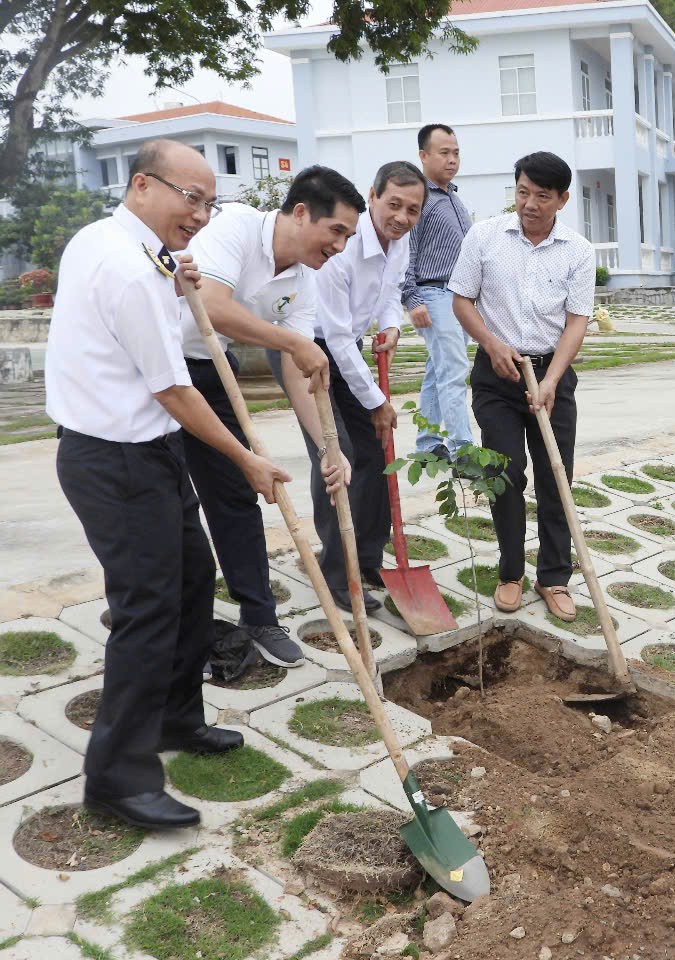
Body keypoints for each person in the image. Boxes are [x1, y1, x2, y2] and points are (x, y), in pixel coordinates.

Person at [46, 139, 288, 829]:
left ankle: (177, 719)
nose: (202, 215)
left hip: (144, 456)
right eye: (192, 197)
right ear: (145, 184)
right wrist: (246, 460)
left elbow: (151, 301)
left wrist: (172, 273)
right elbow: (174, 390)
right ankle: (117, 778)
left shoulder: (114, 244)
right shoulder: (125, 266)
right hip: (116, 460)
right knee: (147, 611)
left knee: (189, 582)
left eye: (210, 203)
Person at [179, 166, 365, 635]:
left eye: (349, 236)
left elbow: (299, 372)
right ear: (301, 213)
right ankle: (168, 619)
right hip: (156, 368)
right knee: (169, 506)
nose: (341, 246)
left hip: (209, 369)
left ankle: (260, 619)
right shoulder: (236, 226)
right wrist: (291, 344)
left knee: (238, 494)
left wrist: (329, 447)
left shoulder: (303, 281)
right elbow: (213, 306)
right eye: (336, 231)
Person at [448, 151, 595, 619]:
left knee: (556, 476)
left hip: (551, 375)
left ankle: (554, 577)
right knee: (505, 473)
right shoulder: (485, 236)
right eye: (523, 192)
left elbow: (576, 322)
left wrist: (551, 380)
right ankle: (510, 571)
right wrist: (491, 345)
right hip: (497, 373)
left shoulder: (578, 251)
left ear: (562, 200)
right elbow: (462, 299)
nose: (530, 204)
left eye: (542, 196)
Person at [275, 161, 425, 603]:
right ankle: (337, 575)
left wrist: (392, 325)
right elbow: (336, 337)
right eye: (393, 204)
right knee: (336, 455)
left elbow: (392, 290)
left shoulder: (399, 241)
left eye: (412, 210)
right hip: (306, 348)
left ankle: (368, 560)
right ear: (373, 196)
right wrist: (378, 401)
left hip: (348, 350)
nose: (401, 217)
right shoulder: (342, 248)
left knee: (376, 453)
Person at [402, 123, 476, 461]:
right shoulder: (420, 199)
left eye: (456, 152)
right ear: (423, 156)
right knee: (454, 373)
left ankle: (428, 444)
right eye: (444, 153)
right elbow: (407, 251)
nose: (452, 159)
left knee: (439, 372)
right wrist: (412, 298)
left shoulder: (454, 199)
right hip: (433, 295)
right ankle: (465, 451)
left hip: (457, 299)